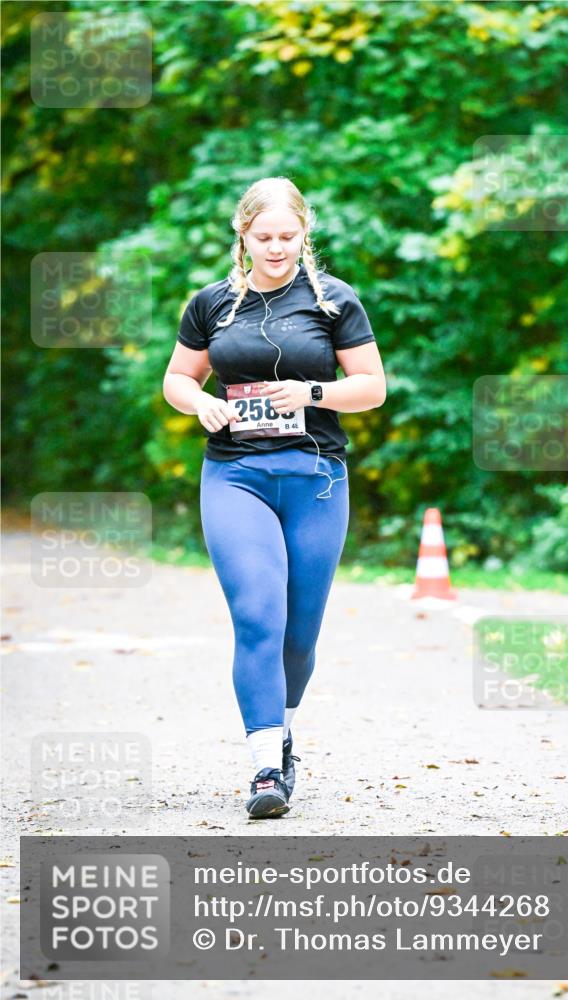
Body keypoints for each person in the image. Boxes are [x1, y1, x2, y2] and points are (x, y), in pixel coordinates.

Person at [163, 176, 386, 819]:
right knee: (258, 614)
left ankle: (283, 730)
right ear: (243, 235)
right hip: (236, 473)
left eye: (289, 236)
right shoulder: (213, 304)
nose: (277, 248)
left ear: (304, 233)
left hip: (316, 475)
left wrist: (312, 394)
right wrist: (201, 400)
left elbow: (370, 387)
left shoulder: (334, 301)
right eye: (265, 237)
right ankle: (265, 766)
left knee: (300, 632)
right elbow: (179, 378)